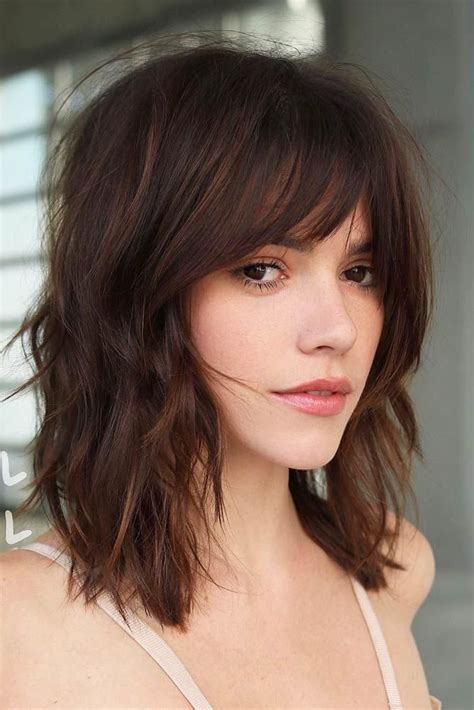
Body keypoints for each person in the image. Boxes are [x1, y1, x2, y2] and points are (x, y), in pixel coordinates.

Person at [0, 33, 442, 709]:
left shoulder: (396, 567)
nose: (339, 330)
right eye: (261, 269)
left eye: (360, 272)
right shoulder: (21, 627)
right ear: (137, 291)